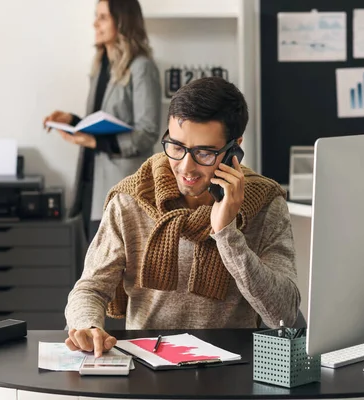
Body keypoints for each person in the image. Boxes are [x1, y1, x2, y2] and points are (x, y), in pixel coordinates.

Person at [64, 77, 301, 357]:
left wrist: (227, 233)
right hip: (147, 366)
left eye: (204, 152)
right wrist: (87, 325)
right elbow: (90, 288)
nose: (186, 167)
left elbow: (284, 315)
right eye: (176, 147)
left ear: (234, 148)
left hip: (234, 369)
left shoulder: (265, 203)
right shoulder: (130, 200)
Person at [43, 0, 161, 241]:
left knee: (119, 275)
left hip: (122, 190)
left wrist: (96, 143)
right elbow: (101, 121)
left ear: (122, 21)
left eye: (102, 17)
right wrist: (73, 120)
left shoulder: (142, 67)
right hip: (91, 185)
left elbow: (148, 132)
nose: (94, 23)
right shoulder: (100, 67)